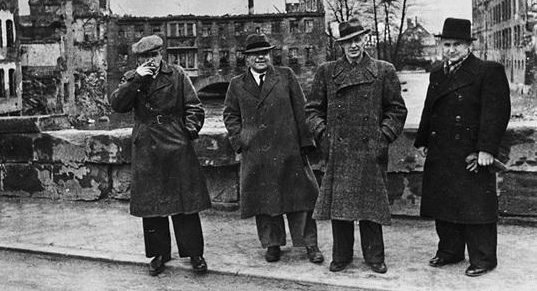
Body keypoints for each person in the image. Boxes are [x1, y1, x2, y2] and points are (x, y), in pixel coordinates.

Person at [305, 18, 407, 274]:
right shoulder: (327, 72)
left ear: (365, 40)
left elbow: (396, 110)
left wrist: (383, 137)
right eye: (347, 41)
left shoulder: (383, 70)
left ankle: (374, 256)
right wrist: (324, 135)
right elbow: (312, 110)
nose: (353, 45)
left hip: (370, 149)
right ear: (341, 45)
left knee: (371, 207)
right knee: (341, 207)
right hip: (339, 150)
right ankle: (342, 256)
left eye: (357, 39)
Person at [414, 18, 510, 277]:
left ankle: (483, 258)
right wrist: (423, 139)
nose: (452, 49)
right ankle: (450, 250)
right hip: (441, 149)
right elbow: (430, 108)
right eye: (447, 44)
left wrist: (486, 149)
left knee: (476, 206)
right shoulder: (437, 72)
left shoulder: (487, 71)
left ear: (469, 45)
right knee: (444, 202)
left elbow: (496, 112)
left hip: (471, 152)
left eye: (457, 44)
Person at [110, 35, 211, 276]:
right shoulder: (132, 78)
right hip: (147, 144)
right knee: (151, 204)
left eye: (153, 56)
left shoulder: (177, 74)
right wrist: (136, 79)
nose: (150, 61)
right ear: (139, 60)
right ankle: (159, 253)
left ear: (160, 54)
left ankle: (194, 253)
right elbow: (117, 105)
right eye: (144, 57)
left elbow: (194, 106)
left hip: (175, 141)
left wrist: (187, 131)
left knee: (185, 202)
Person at [223, 34, 324, 264]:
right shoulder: (236, 84)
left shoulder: (286, 76)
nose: (260, 57)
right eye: (255, 54)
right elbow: (230, 115)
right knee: (265, 201)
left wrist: (305, 144)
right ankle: (272, 243)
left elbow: (301, 109)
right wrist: (241, 140)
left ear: (270, 55)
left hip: (288, 149)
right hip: (257, 153)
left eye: (264, 53)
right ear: (247, 59)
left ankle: (310, 244)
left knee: (301, 199)